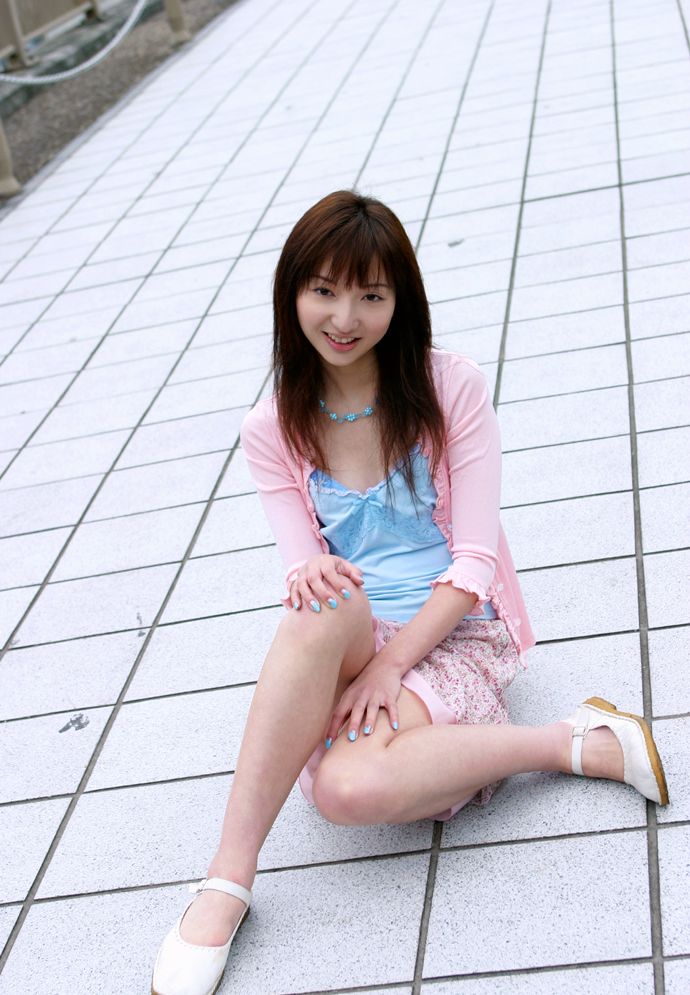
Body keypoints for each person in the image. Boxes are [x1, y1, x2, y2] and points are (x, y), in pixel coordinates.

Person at [151, 190, 669, 995]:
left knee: (343, 788)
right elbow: (303, 567)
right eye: (323, 290)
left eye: (371, 294)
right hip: (358, 628)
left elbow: (474, 564)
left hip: (455, 627)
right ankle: (227, 878)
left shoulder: (449, 386)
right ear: (292, 295)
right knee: (317, 599)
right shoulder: (271, 427)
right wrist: (334, 616)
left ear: (401, 300)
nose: (344, 318)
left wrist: (391, 667)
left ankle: (572, 741)